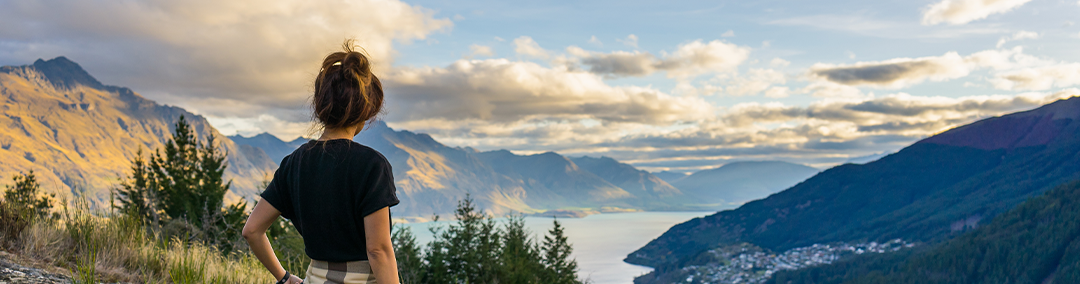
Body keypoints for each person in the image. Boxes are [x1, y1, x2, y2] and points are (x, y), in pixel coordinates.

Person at [243, 40, 400, 284]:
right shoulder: (372, 166)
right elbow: (378, 251)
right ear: (364, 110)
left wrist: (285, 278)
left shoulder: (293, 163)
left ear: (320, 105)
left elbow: (252, 231)